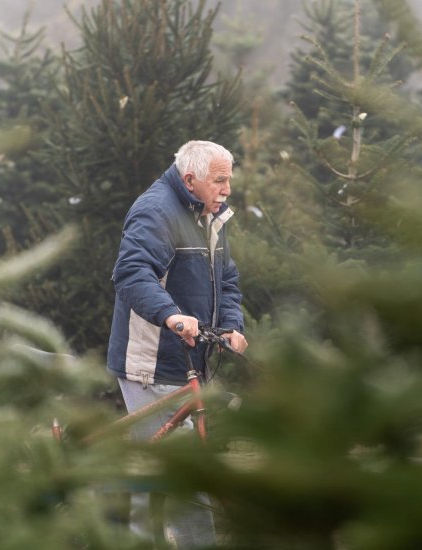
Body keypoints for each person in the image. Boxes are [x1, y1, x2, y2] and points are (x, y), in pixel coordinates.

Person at [106, 140, 248, 547]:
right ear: (190, 179)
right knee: (183, 473)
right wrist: (171, 315)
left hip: (189, 357)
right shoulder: (156, 211)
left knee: (160, 468)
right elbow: (132, 274)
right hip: (150, 360)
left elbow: (227, 281)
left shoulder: (210, 216)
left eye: (229, 180)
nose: (227, 189)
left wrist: (231, 326)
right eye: (219, 180)